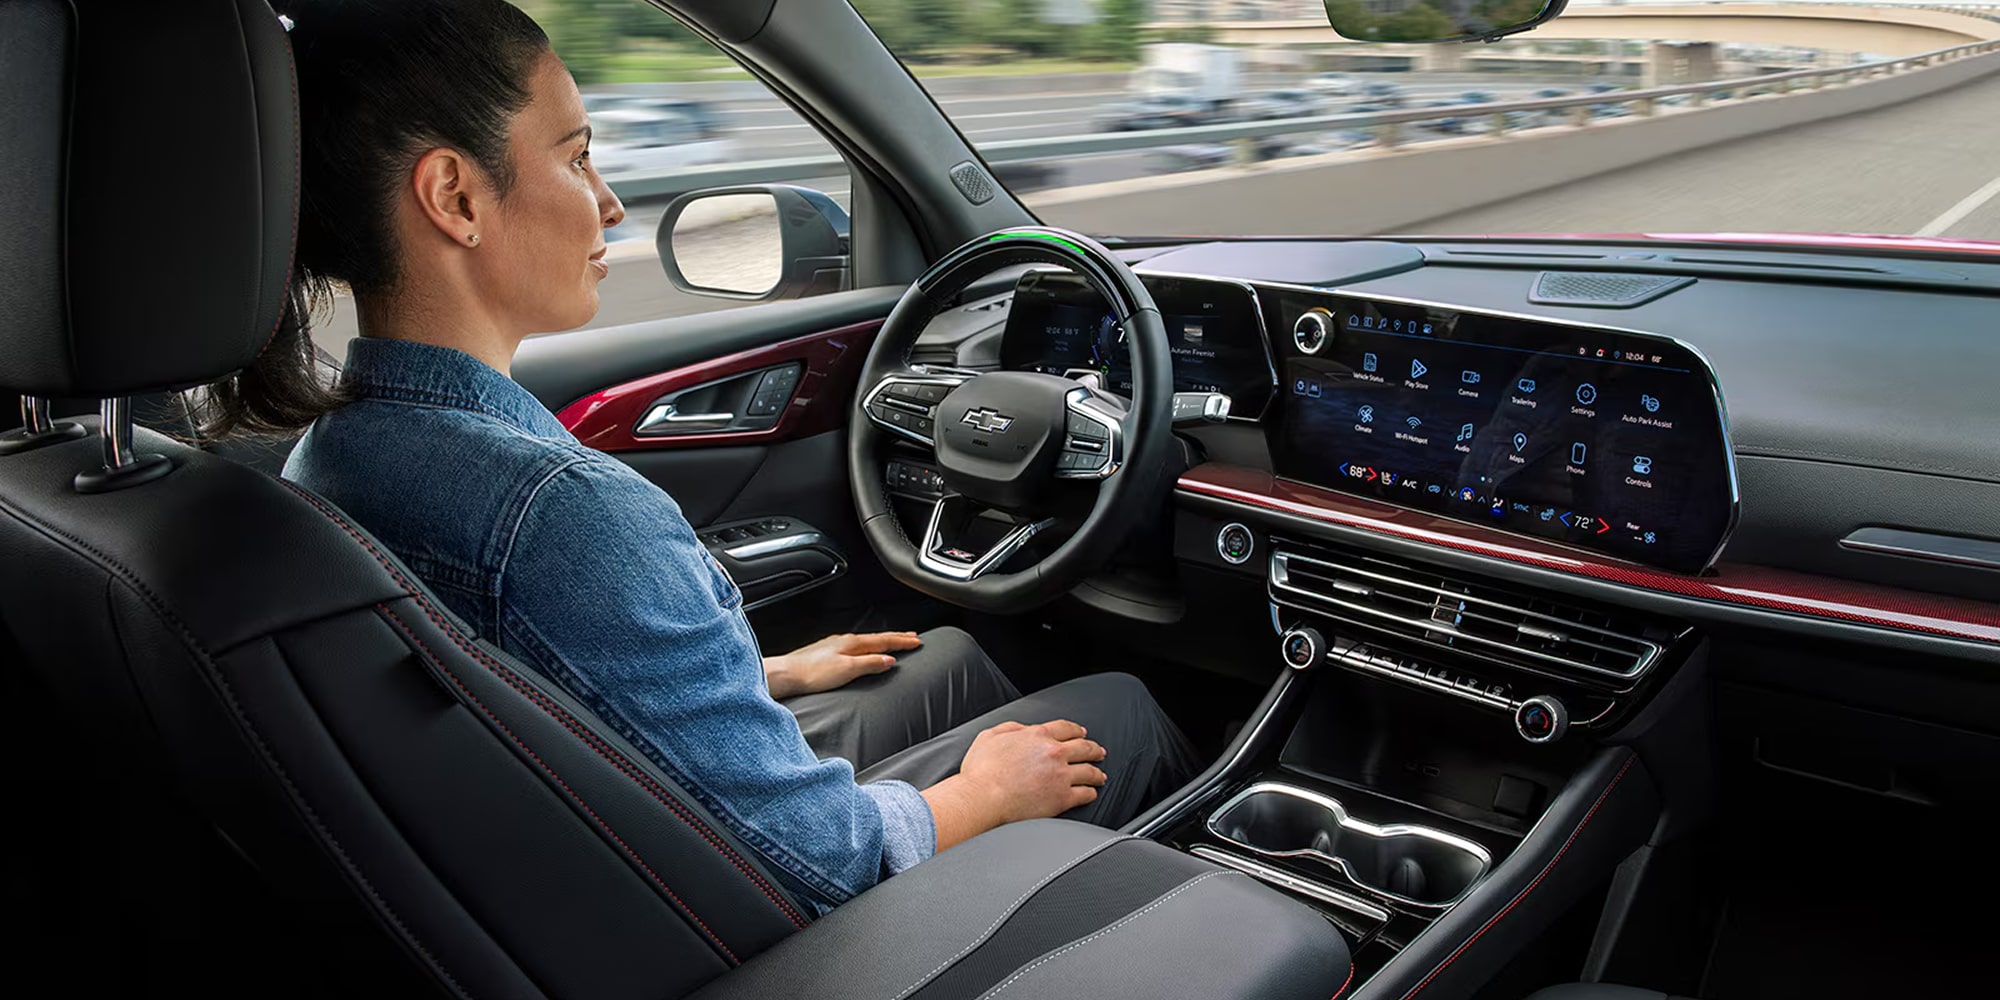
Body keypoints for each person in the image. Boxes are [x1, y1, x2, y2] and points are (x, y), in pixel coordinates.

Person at [201, 0, 1198, 915]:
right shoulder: (562, 511)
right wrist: (983, 796)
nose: (612, 204)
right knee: (1121, 710)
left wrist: (760, 676)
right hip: (756, 924)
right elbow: (823, 858)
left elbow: (527, 700)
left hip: (581, 867)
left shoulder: (331, 458)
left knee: (949, 659)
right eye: (577, 156)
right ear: (456, 196)